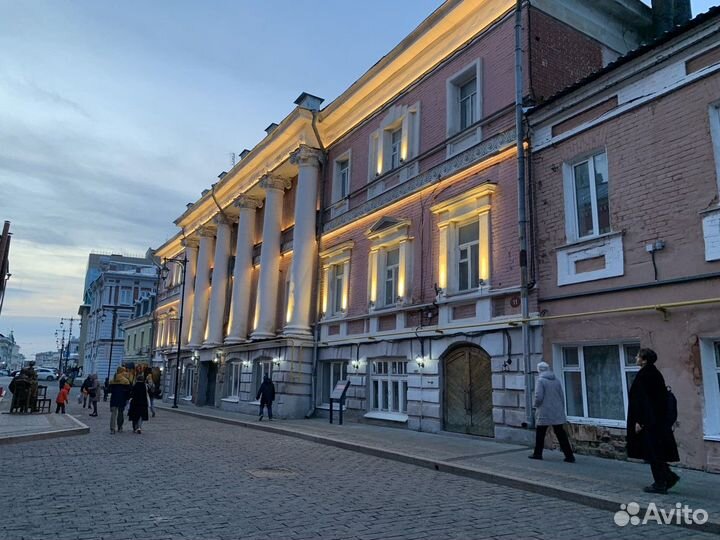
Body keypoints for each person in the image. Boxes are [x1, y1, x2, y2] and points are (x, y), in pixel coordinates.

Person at [627, 348, 680, 494]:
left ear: (644, 360)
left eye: (638, 356)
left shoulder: (647, 375)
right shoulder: (653, 373)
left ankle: (660, 483)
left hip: (651, 421)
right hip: (656, 420)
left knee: (653, 452)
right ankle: (668, 477)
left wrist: (639, 421)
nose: (636, 358)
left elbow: (644, 401)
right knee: (654, 451)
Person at [529, 361, 575, 463]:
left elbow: (538, 396)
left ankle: (537, 454)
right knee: (560, 433)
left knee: (540, 433)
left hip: (545, 411)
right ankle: (569, 456)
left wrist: (535, 405)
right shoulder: (556, 380)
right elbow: (562, 396)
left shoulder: (541, 381)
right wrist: (561, 408)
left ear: (539, 370)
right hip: (557, 411)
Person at [108, 367, 131, 434]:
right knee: (120, 413)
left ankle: (112, 429)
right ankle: (120, 427)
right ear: (122, 372)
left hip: (114, 398)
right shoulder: (125, 380)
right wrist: (127, 399)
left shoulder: (112, 380)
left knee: (113, 414)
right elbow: (128, 391)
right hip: (122, 398)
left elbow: (109, 390)